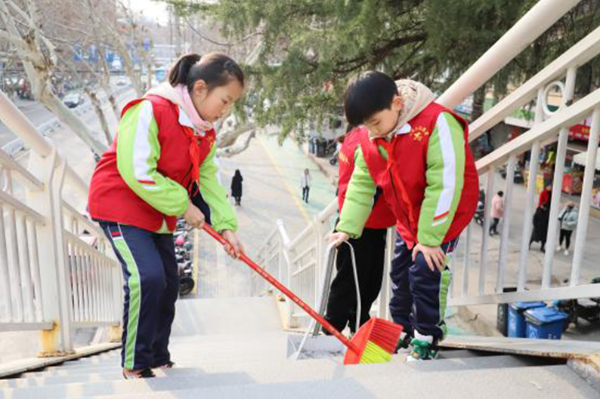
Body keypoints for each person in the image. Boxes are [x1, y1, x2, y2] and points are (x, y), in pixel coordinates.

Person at [88, 52, 246, 379]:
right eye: (225, 100)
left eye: (232, 104)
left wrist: (227, 227)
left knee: (169, 282)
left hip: (158, 211)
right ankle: (135, 361)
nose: (225, 111)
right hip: (121, 203)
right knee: (148, 277)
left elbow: (207, 180)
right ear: (200, 88)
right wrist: (183, 205)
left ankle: (157, 355)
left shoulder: (204, 132)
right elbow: (137, 171)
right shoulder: (151, 109)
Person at [330, 71, 478, 361]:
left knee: (426, 269)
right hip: (409, 217)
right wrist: (347, 227)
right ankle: (404, 329)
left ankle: (428, 336)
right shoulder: (375, 135)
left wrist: (431, 239)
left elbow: (446, 183)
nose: (371, 133)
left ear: (397, 103)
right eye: (366, 127)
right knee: (400, 273)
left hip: (442, 216)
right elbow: (362, 182)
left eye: (374, 123)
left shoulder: (438, 122)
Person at [323, 126, 396, 335]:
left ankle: (358, 323)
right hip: (358, 224)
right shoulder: (367, 142)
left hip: (366, 222)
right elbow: (372, 184)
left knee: (368, 280)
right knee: (351, 281)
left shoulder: (352, 137)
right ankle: (333, 327)